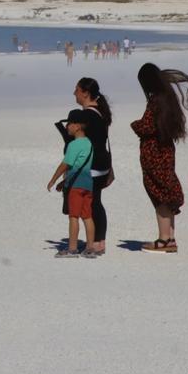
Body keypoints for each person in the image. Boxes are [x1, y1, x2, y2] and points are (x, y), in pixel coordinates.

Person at [132, 63, 188, 253]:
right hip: (166, 151)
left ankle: (163, 240)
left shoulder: (156, 101)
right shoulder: (168, 99)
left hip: (155, 152)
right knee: (166, 192)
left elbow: (148, 126)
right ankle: (170, 238)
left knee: (159, 194)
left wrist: (134, 125)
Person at [63, 77, 114, 254]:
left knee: (91, 204)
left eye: (76, 90)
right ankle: (99, 241)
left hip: (92, 166)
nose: (74, 93)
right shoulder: (100, 112)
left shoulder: (86, 115)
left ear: (85, 93)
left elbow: (79, 143)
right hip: (103, 164)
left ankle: (97, 242)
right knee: (96, 203)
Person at [47, 109, 96, 258]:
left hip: (76, 186)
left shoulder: (74, 145)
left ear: (77, 126)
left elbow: (66, 165)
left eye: (69, 123)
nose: (67, 126)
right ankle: (90, 248)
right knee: (87, 216)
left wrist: (54, 179)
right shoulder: (89, 144)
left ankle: (72, 249)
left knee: (73, 216)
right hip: (88, 184)